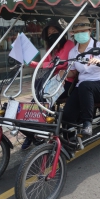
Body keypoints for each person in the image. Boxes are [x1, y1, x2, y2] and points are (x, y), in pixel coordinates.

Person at [22, 21, 75, 150]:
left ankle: (34, 133)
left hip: (65, 81)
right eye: (49, 33)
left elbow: (61, 64)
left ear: (60, 32)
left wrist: (37, 64)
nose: (51, 35)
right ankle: (30, 132)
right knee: (35, 101)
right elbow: (46, 63)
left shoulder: (68, 44)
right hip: (51, 81)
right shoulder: (50, 48)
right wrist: (32, 63)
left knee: (43, 100)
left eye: (54, 32)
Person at [60, 16, 100, 136]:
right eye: (77, 32)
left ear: (90, 32)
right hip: (82, 87)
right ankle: (67, 141)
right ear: (73, 34)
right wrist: (63, 73)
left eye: (83, 31)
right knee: (67, 114)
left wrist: (99, 61)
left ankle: (87, 123)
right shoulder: (73, 52)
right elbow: (74, 72)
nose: (80, 34)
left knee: (85, 86)